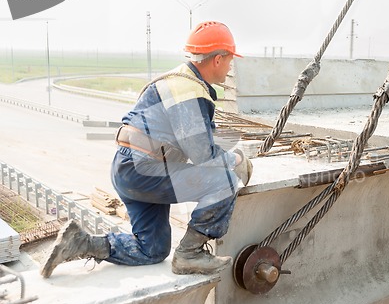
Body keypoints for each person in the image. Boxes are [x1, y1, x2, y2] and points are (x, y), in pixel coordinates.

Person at [40, 21, 253, 278]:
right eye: (230, 60)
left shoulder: (177, 81)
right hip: (146, 169)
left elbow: (200, 139)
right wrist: (236, 158)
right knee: (226, 181)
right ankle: (190, 254)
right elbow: (203, 155)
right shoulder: (189, 90)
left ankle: (82, 243)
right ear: (217, 59)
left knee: (152, 248)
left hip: (129, 169)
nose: (231, 67)